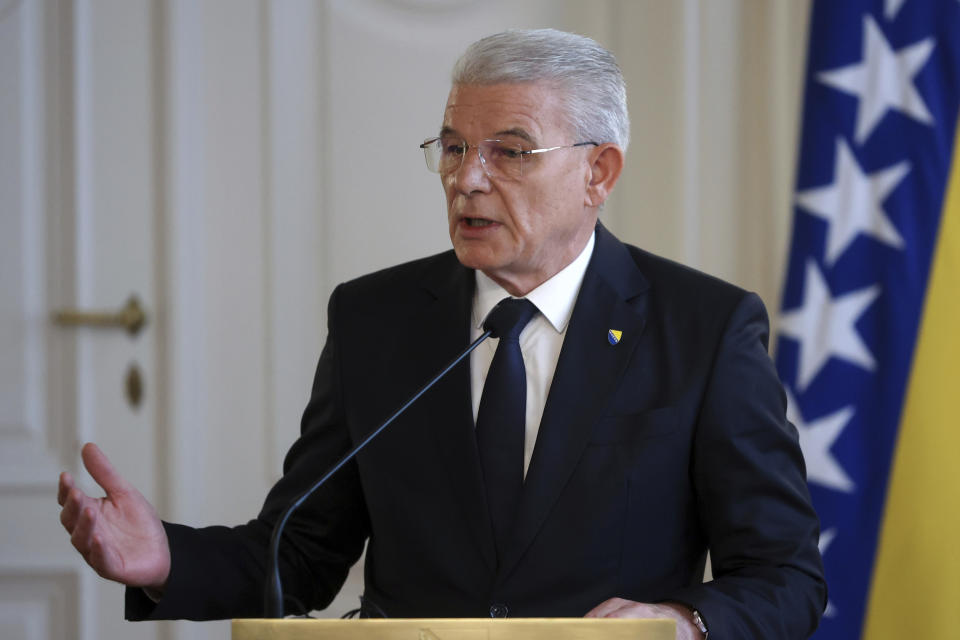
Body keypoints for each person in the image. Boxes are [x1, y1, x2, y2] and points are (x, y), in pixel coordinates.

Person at [57, 28, 826, 639]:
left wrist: (685, 623)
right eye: (454, 146)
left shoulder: (705, 328)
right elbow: (300, 550)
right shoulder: (375, 320)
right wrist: (166, 559)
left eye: (510, 152)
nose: (467, 178)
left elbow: (785, 577)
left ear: (600, 172)